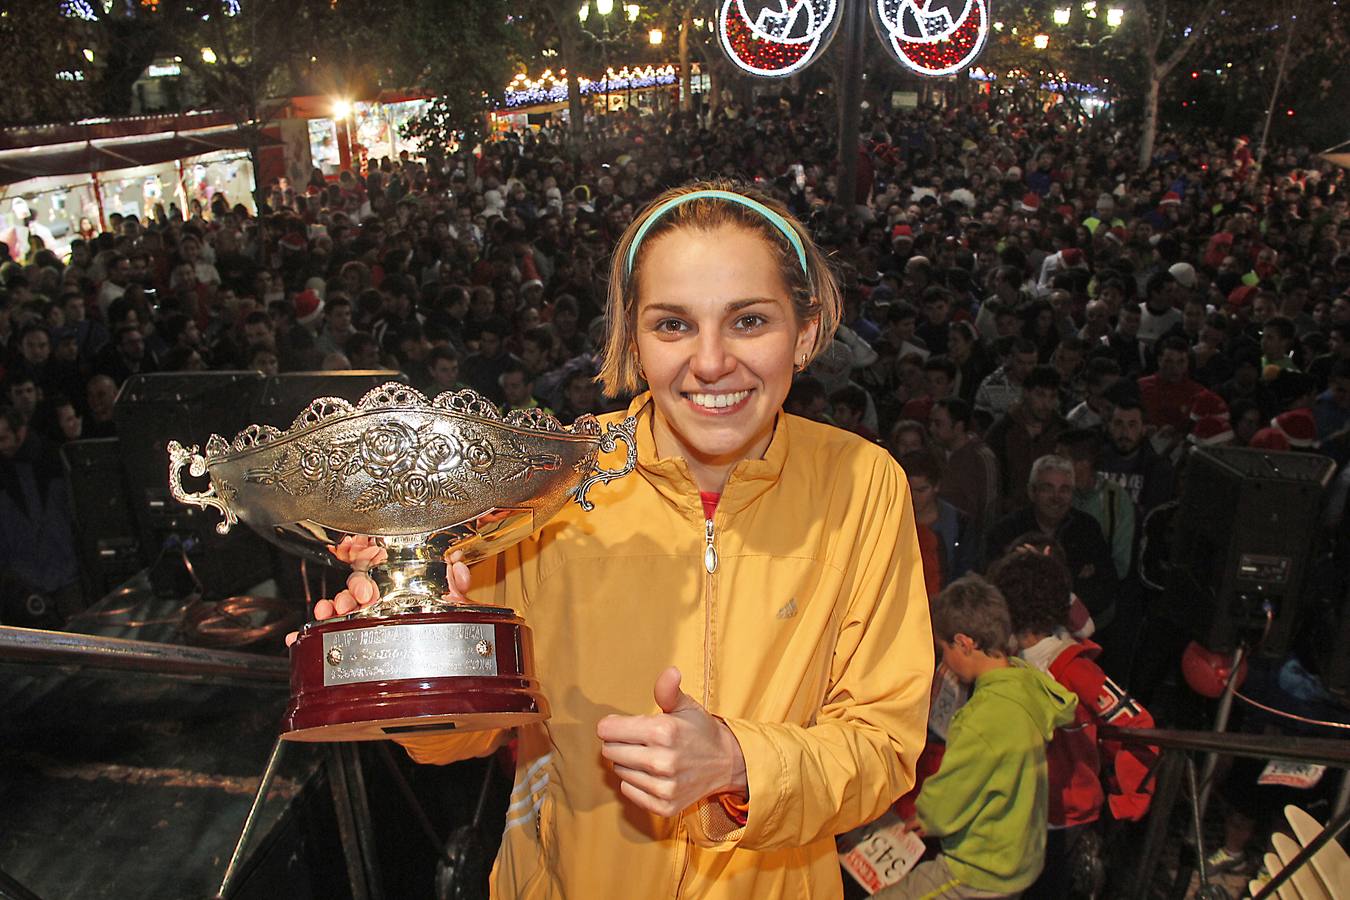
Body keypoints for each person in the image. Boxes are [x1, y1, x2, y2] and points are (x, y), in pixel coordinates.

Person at [299, 183, 934, 898]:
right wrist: (410, 651)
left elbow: (884, 745)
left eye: (749, 320)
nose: (713, 361)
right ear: (632, 337)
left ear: (808, 330)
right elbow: (466, 731)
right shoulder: (549, 478)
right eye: (673, 325)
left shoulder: (861, 484)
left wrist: (738, 763)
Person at [875, 575, 1076, 900]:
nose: (945, 661)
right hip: (1021, 857)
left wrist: (926, 815)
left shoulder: (983, 716)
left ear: (964, 643)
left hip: (980, 868)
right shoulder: (1027, 686)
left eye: (945, 650)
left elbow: (956, 787)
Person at [986, 551, 1155, 900]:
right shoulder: (1009, 662)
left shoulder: (1071, 668)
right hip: (1019, 816)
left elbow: (1138, 723)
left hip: (1064, 820)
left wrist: (1124, 804)